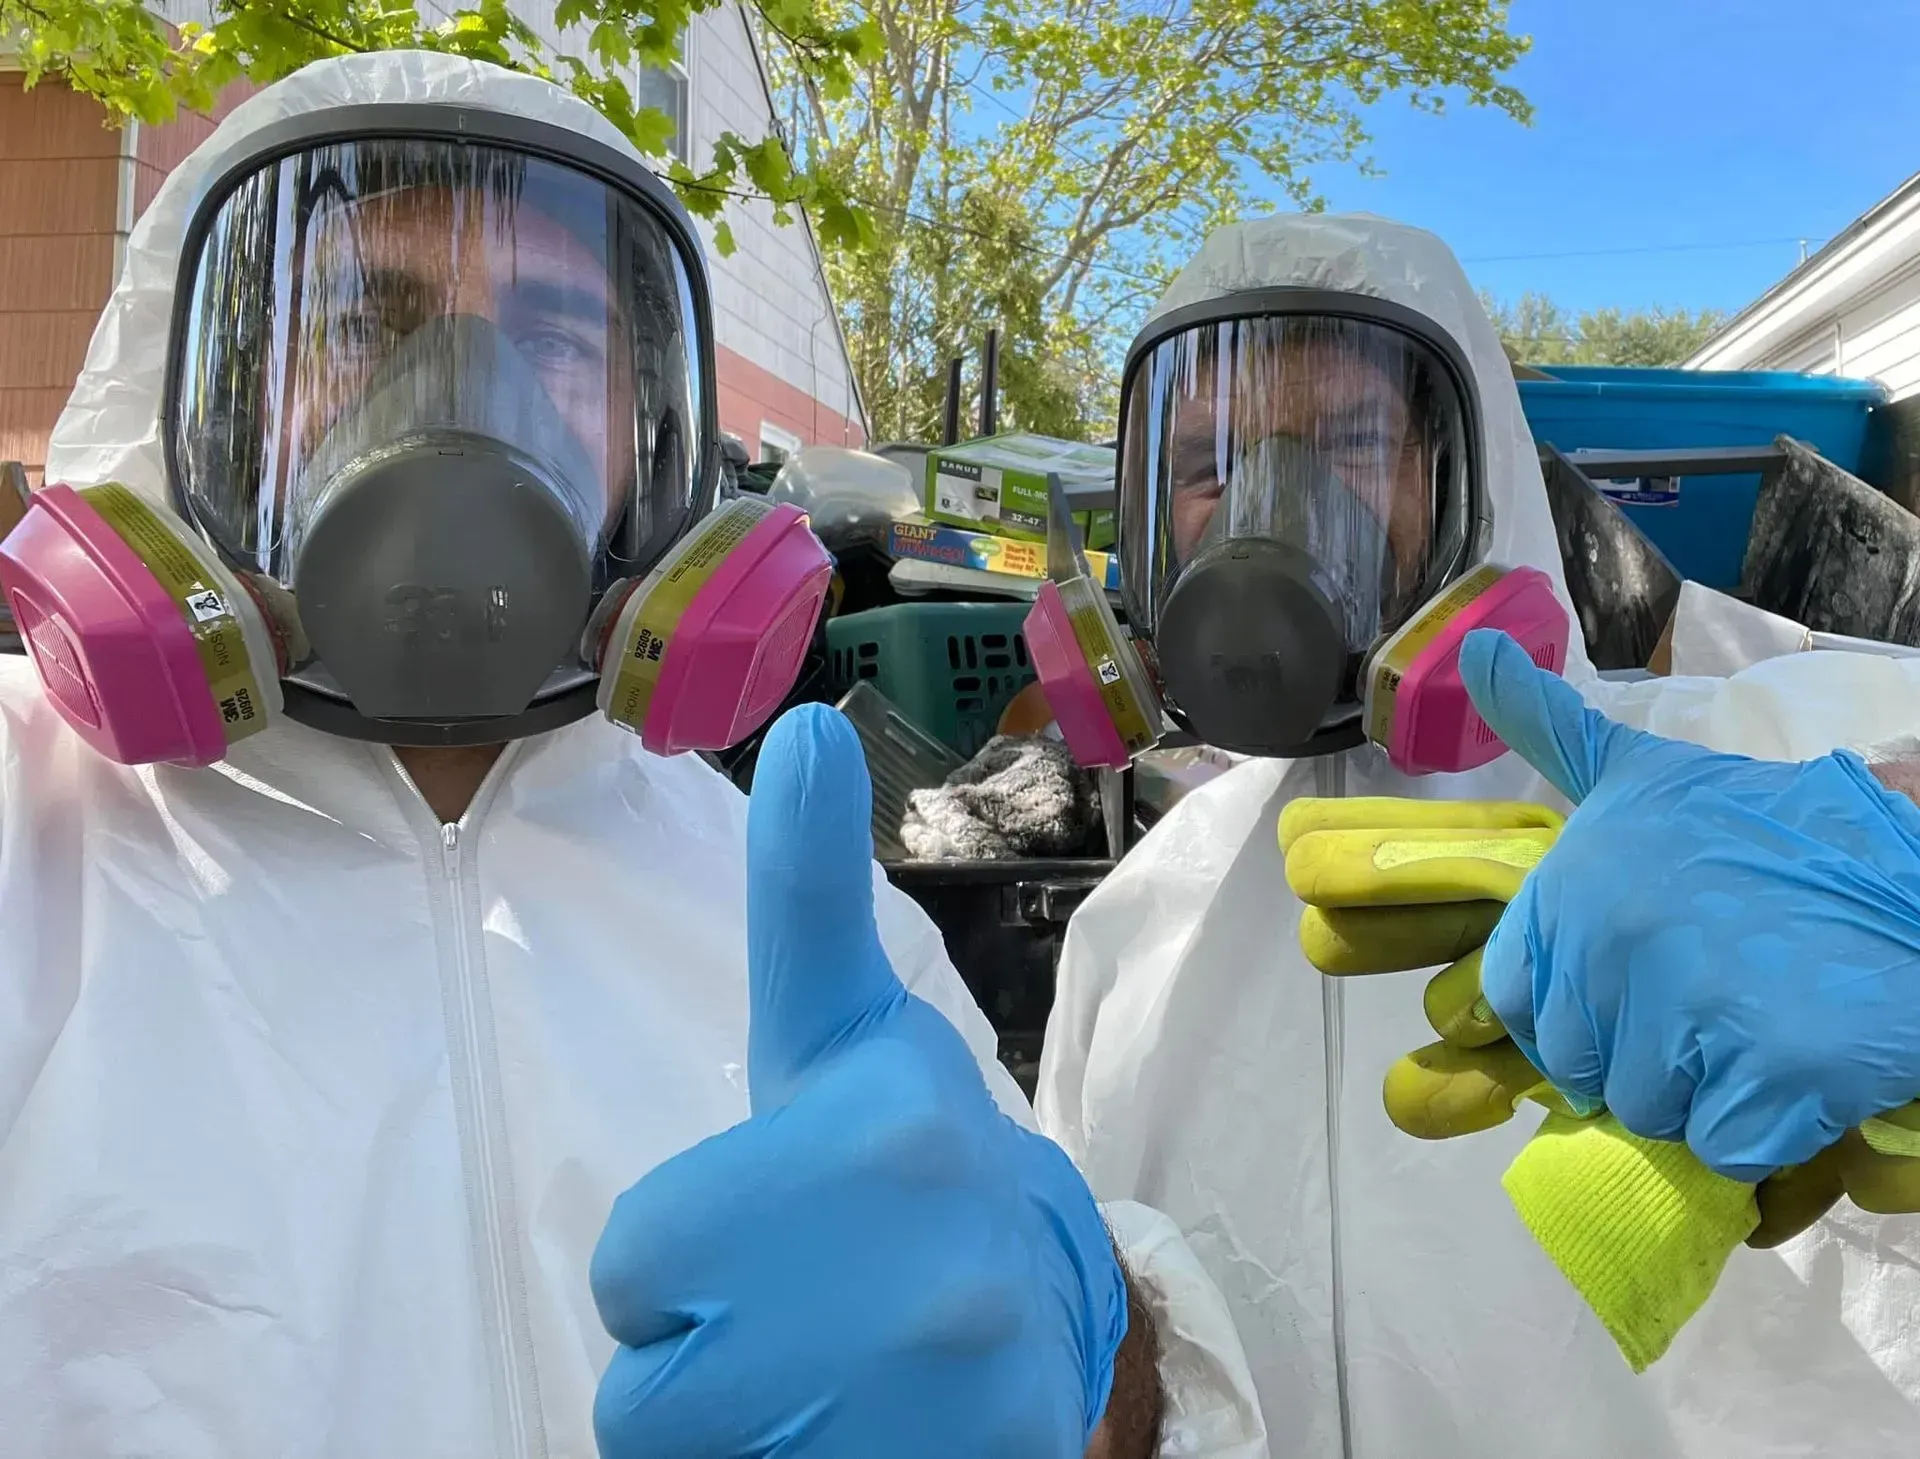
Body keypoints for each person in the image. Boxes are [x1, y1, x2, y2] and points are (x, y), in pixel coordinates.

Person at [0, 52, 1268, 1458]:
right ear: (205, 395)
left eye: (550, 342)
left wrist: (1097, 1358)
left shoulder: (793, 915)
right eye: (365, 320)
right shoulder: (25, 843)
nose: (462, 404)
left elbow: (1066, 1380)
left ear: (645, 433)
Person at [1034, 213, 1920, 1457]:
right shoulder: (1130, 931)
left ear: (1476, 477)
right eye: (1208, 464)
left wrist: (1901, 852)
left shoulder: (1734, 773)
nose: (1270, 511)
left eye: (1350, 443)